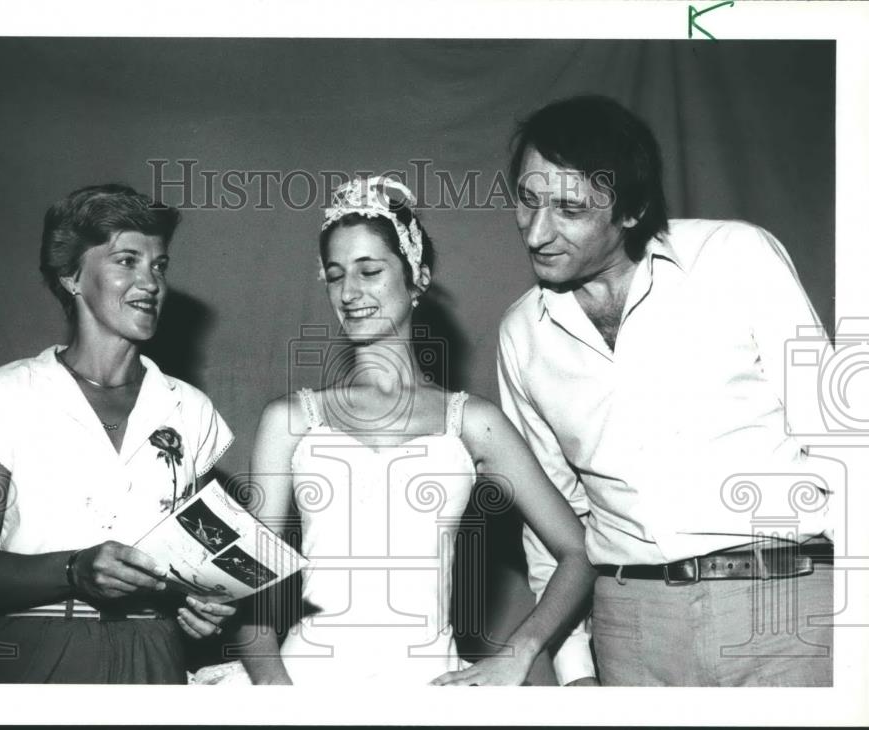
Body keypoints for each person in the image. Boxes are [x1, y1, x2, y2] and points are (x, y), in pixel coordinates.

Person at [497, 95, 834, 686]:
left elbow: (843, 438)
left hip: (784, 604)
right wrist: (575, 669)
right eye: (527, 200)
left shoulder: (736, 257)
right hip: (631, 624)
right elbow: (550, 517)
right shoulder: (522, 334)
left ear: (633, 209)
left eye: (569, 208)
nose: (537, 231)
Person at [231, 176, 596, 686]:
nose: (350, 292)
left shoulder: (472, 421)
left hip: (430, 690)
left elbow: (578, 553)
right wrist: (279, 696)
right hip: (305, 687)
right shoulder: (289, 420)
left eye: (370, 271)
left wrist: (518, 654)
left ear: (417, 277)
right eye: (335, 275)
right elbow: (249, 589)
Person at [0, 183, 236, 683]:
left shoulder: (190, 409)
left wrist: (204, 601)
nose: (151, 282)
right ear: (72, 276)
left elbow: (199, 560)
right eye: (127, 261)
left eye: (159, 265)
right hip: (41, 652)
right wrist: (73, 570)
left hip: (158, 656)